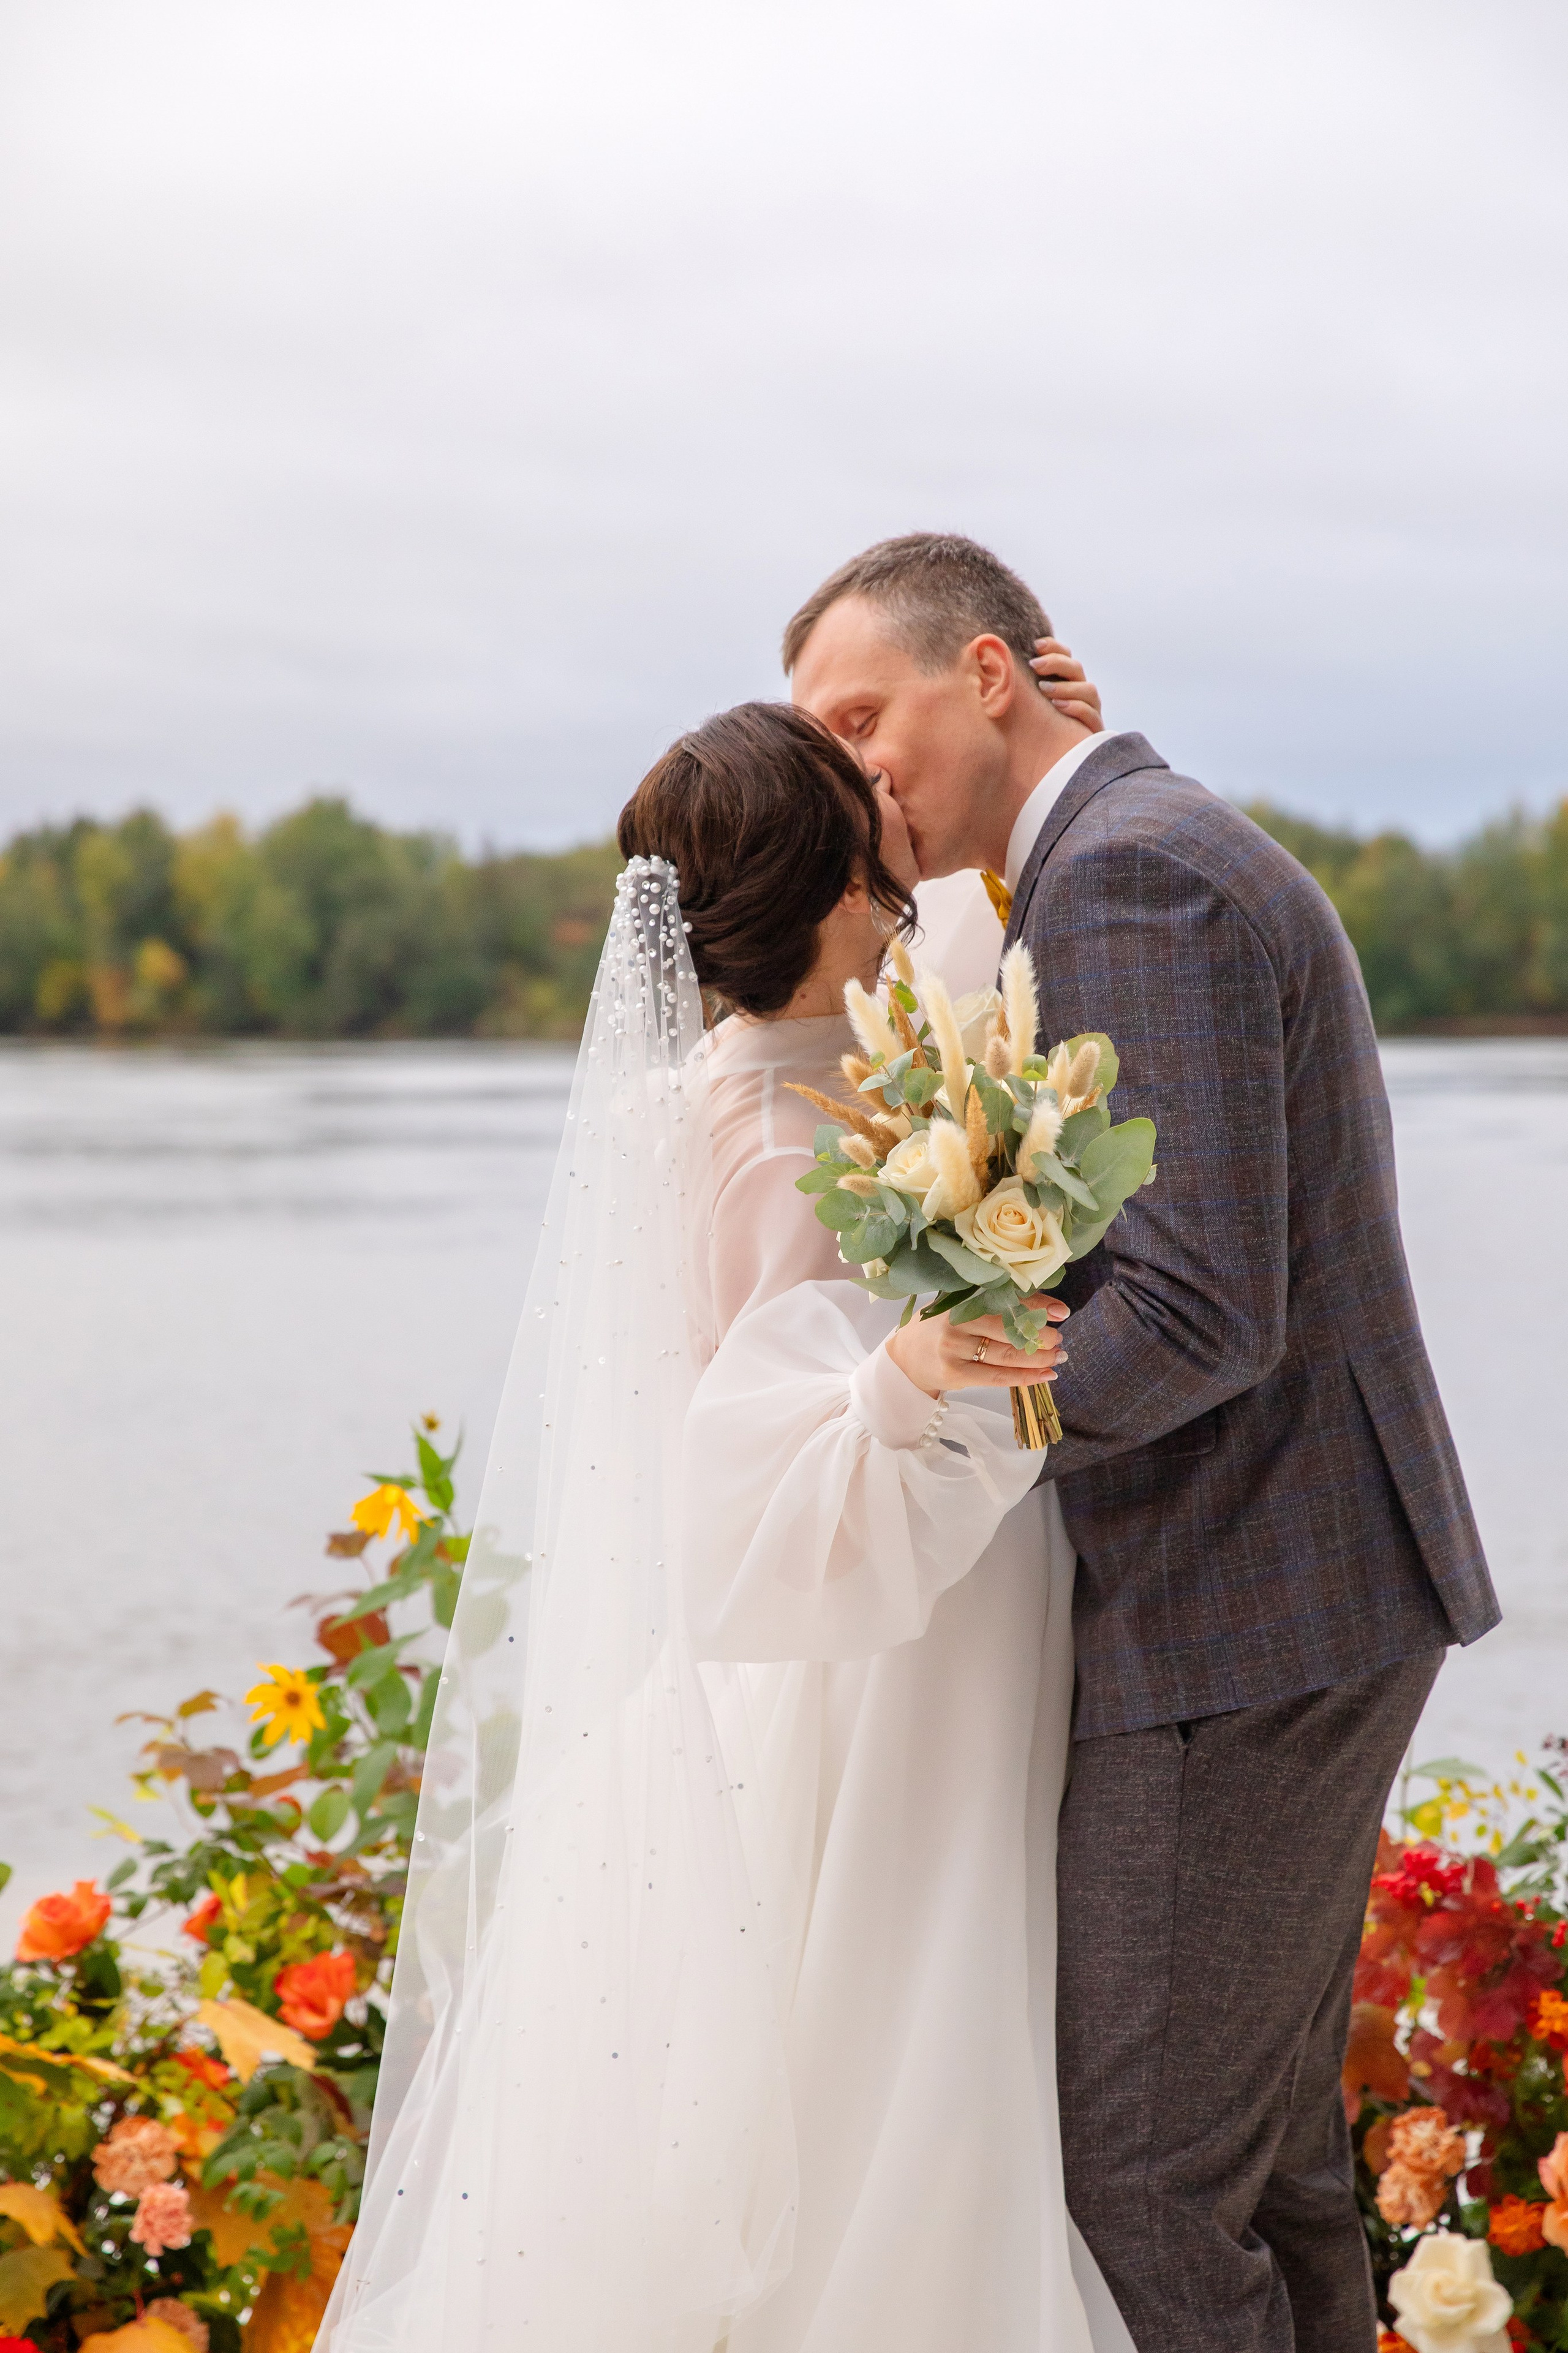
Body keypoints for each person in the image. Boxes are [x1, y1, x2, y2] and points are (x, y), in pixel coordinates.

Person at [316, 697, 1137, 2353]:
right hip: (881, 1654)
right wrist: (912, 1372)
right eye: (864, 798)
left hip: (886, 1623)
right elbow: (747, 1493)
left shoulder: (778, 1064)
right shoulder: (773, 1132)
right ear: (828, 868)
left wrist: (1059, 742)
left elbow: (978, 945)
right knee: (898, 2077)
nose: (898, 812)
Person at [785, 532, 1501, 2353]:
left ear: (998, 677)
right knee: (1260, 2173)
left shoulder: (1131, 884)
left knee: (1139, 2179)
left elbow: (1194, 1312)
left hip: (1239, 1610)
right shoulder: (1124, 855)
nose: (850, 766)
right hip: (1299, 1592)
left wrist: (945, 1438)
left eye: (867, 714)